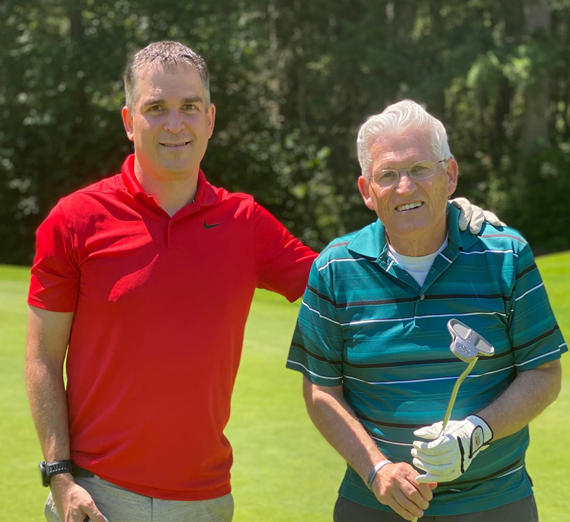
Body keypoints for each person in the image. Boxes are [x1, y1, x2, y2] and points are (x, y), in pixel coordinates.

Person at [25, 41, 496, 522]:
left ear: (209, 120)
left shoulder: (243, 221)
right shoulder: (75, 220)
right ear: (129, 120)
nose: (174, 123)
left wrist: (439, 215)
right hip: (99, 497)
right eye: (156, 108)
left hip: (206, 501)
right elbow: (42, 359)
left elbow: (348, 279)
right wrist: (61, 477)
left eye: (189, 107)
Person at [286, 100, 565, 521]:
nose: (405, 188)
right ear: (367, 190)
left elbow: (544, 373)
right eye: (388, 175)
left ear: (449, 175)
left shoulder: (506, 255)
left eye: (420, 169)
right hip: (374, 506)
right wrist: (375, 468)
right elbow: (322, 390)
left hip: (494, 504)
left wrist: (477, 431)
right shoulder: (335, 267)